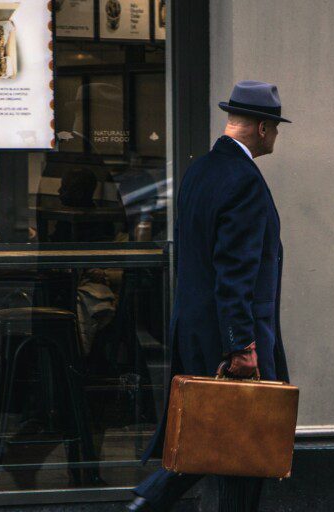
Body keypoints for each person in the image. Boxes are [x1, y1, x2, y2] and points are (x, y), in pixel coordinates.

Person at [126, 81, 291, 512]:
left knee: (206, 437)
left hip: (196, 331)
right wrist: (242, 346)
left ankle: (146, 501)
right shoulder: (245, 181)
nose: (275, 136)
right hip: (229, 339)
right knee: (244, 450)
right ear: (260, 127)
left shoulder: (200, 170)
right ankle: (146, 501)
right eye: (274, 128)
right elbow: (234, 272)